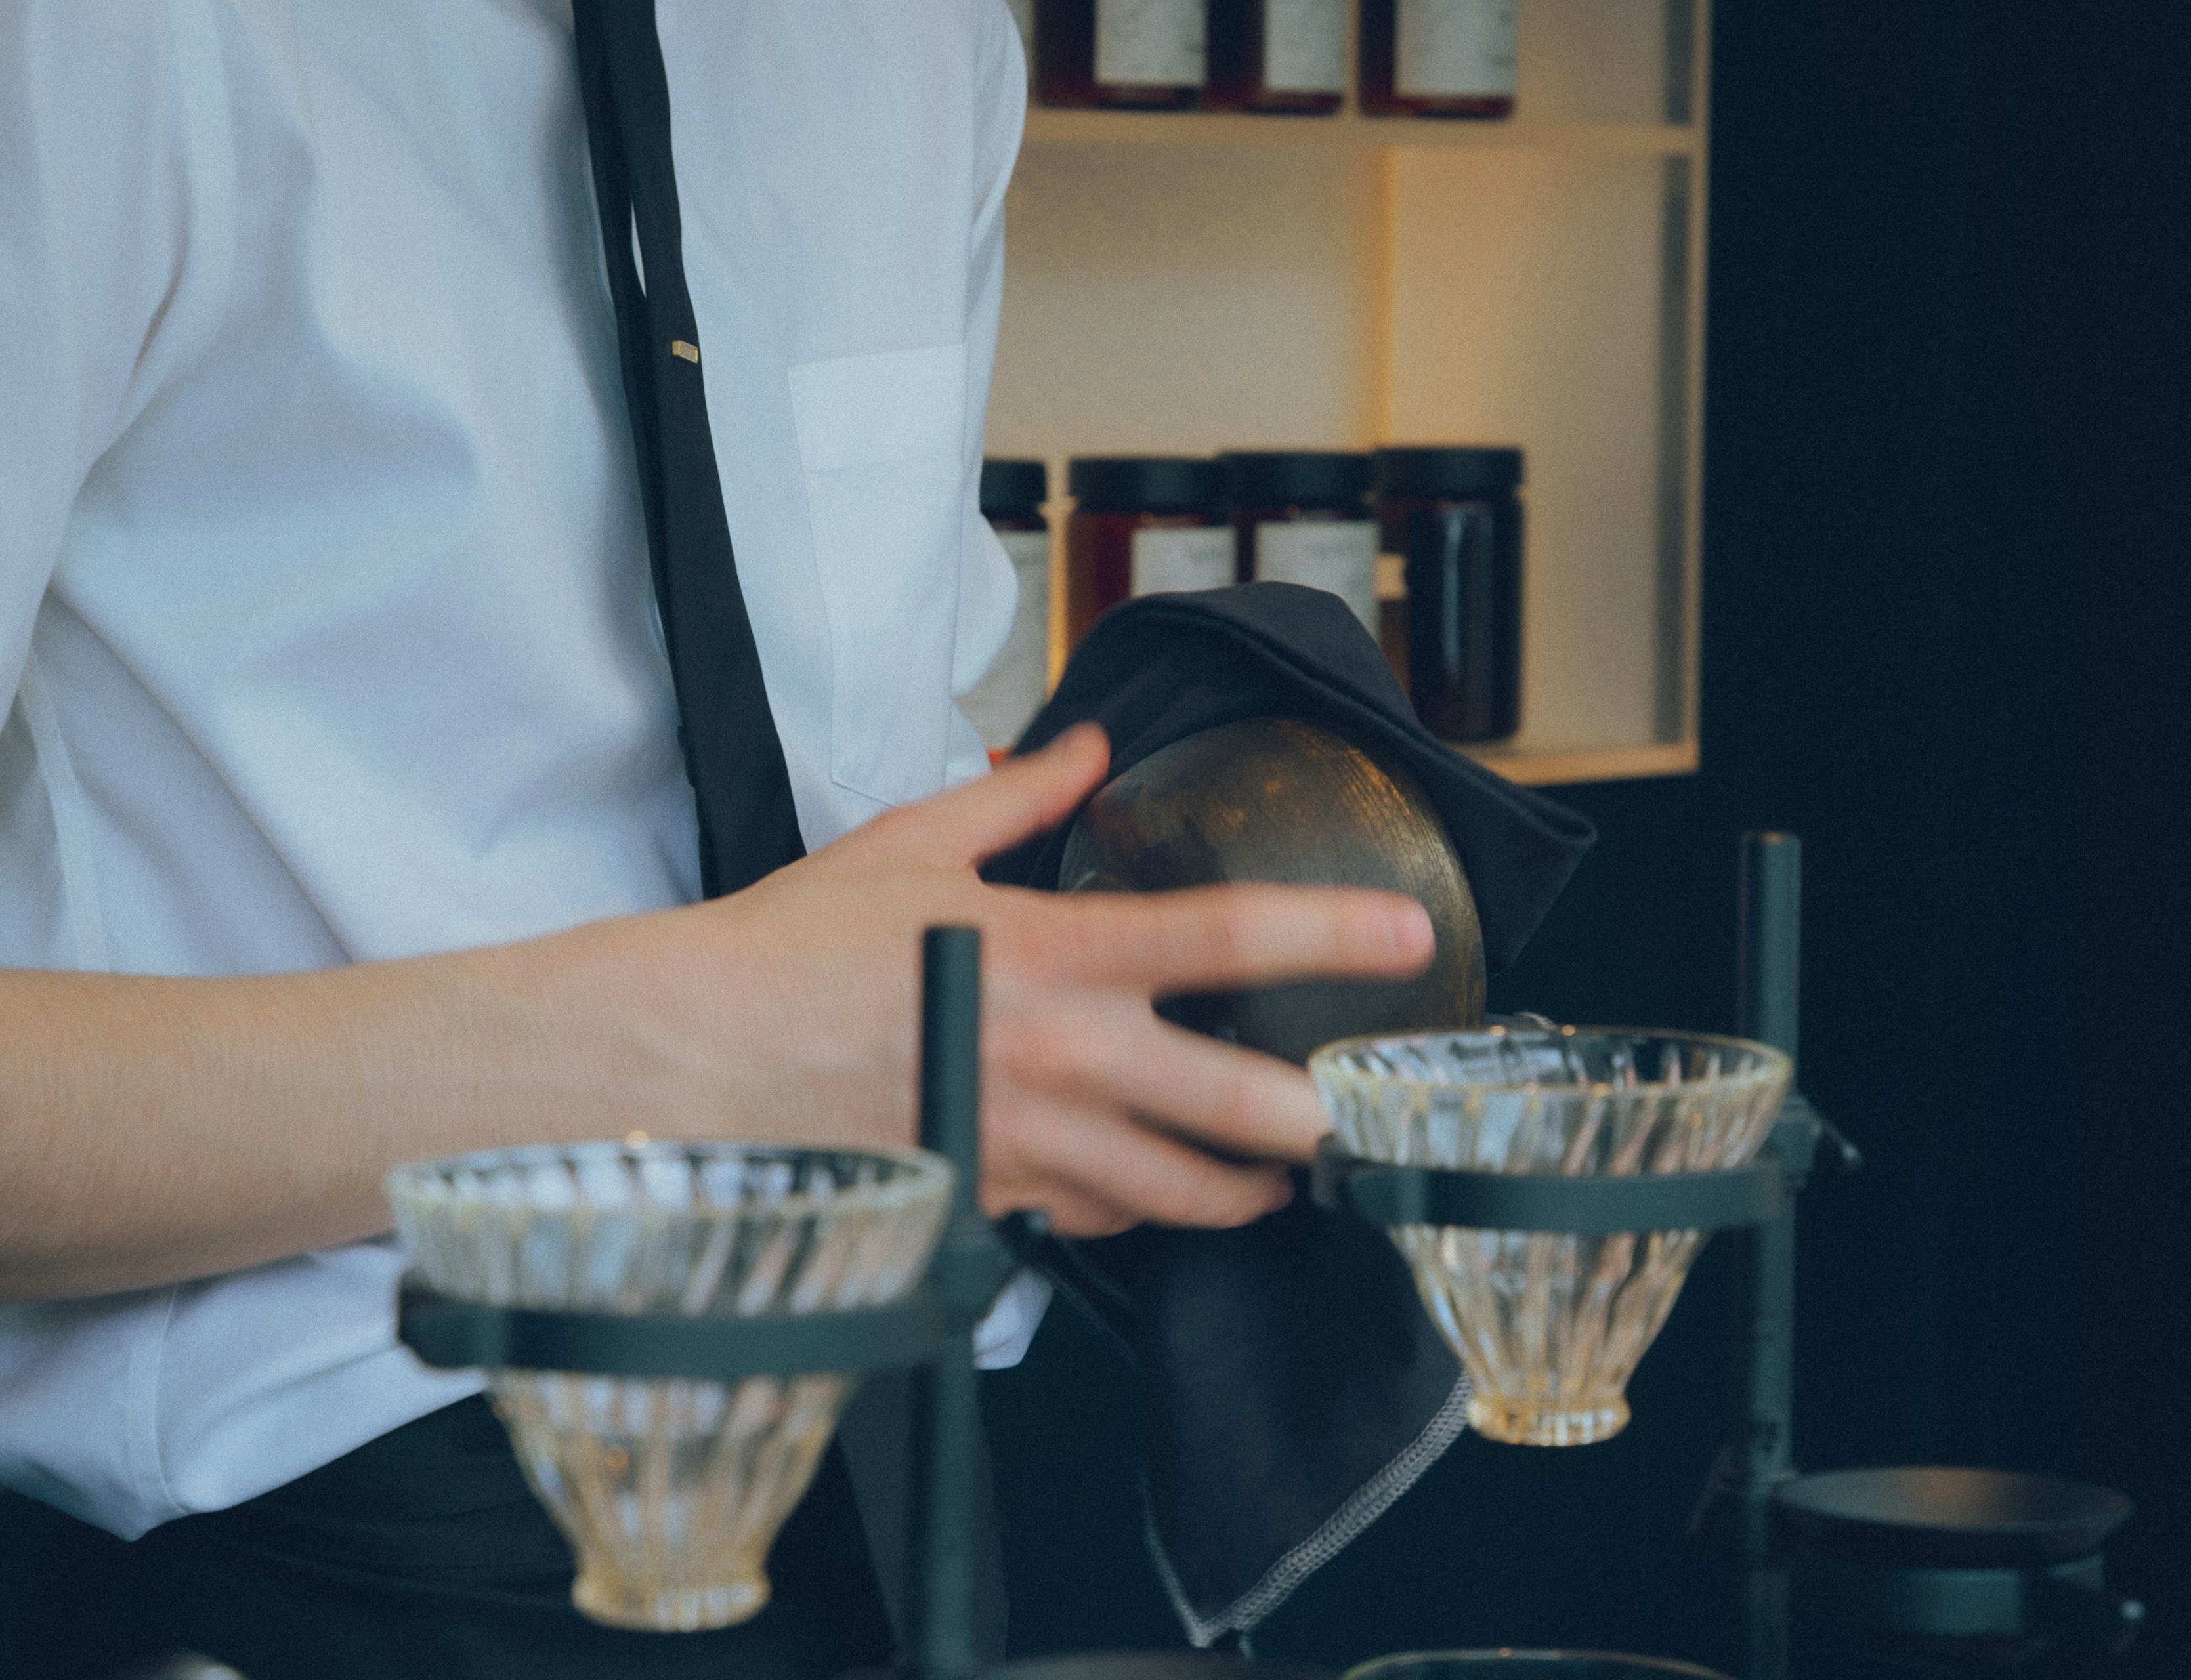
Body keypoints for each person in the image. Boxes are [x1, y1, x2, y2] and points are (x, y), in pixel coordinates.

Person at [0, 2, 1433, 1671]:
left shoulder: (920, 39)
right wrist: (715, 1040)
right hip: (345, 1524)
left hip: (926, 1435)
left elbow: (849, 750)